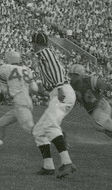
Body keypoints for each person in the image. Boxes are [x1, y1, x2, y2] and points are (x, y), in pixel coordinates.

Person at [29, 32, 76, 178]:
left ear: (35, 43)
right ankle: (48, 166)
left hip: (63, 91)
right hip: (58, 91)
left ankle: (67, 163)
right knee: (39, 131)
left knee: (50, 126)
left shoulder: (45, 52)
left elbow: (56, 69)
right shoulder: (44, 53)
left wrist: (60, 88)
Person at [0, 50, 38, 153]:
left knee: (29, 128)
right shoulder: (26, 69)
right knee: (0, 124)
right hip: (26, 101)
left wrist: (9, 90)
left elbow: (4, 91)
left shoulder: (5, 68)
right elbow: (34, 89)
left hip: (20, 103)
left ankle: (56, 135)